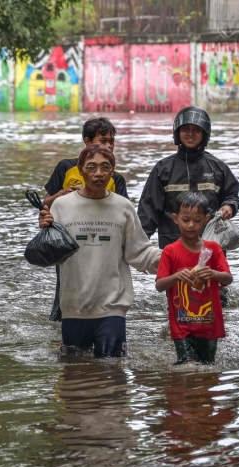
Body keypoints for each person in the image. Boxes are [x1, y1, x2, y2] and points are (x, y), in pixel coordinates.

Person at [37, 144, 161, 358]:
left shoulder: (123, 207)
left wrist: (179, 256)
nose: (98, 173)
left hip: (112, 307)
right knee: (74, 377)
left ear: (112, 171)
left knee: (112, 374)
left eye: (105, 167)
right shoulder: (61, 206)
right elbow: (47, 256)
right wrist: (44, 231)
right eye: (91, 167)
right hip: (73, 306)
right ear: (81, 169)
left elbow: (140, 253)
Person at [138, 106, 239, 250]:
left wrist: (229, 206)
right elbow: (148, 211)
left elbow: (232, 195)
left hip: (210, 246)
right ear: (177, 132)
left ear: (204, 134)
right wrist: (140, 248)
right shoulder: (163, 169)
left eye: (196, 130)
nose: (190, 134)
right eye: (185, 129)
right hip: (172, 247)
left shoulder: (218, 168)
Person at [155, 192, 232, 365]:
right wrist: (175, 277)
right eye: (186, 219)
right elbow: (160, 285)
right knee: (187, 366)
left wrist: (213, 273)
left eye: (197, 221)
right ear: (175, 218)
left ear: (206, 220)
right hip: (181, 326)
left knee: (207, 368)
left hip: (209, 325)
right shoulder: (170, 251)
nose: (191, 225)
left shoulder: (213, 249)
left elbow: (227, 279)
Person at [42, 116, 128, 210]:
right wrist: (60, 195)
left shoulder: (117, 178)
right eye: (103, 141)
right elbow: (44, 206)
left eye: (111, 142)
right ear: (88, 141)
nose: (108, 146)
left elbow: (124, 212)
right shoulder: (65, 167)